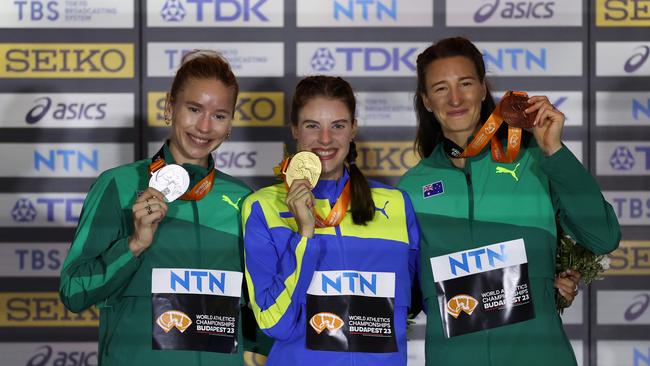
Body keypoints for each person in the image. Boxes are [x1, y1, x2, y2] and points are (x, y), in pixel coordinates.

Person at [397, 37, 621, 365]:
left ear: (483, 89)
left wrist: (555, 153)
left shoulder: (532, 158)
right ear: (427, 101)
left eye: (466, 83)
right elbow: (405, 289)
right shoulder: (412, 187)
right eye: (441, 88)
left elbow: (603, 237)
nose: (455, 98)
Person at [59, 50, 266, 365]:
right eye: (194, 109)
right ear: (170, 107)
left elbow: (256, 310)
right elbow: (74, 292)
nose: (204, 126)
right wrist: (134, 245)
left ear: (230, 123)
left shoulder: (243, 199)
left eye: (219, 115)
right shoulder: (120, 185)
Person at [242, 76, 420, 365]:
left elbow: (409, 304)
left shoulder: (396, 204)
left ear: (353, 130)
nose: (325, 139)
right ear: (295, 131)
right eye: (312, 125)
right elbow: (275, 323)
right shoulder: (263, 207)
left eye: (337, 125)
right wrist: (304, 236)